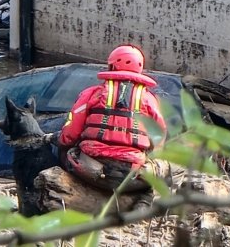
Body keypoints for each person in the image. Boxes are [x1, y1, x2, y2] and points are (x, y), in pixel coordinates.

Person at [57, 44, 175, 208]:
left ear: (112, 66)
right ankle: (145, 200)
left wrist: (62, 142)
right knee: (164, 167)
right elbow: (159, 137)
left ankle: (69, 190)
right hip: (130, 177)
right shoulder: (149, 100)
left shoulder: (92, 94)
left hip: (89, 170)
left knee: (64, 150)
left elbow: (69, 134)